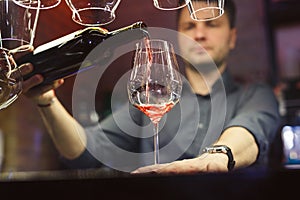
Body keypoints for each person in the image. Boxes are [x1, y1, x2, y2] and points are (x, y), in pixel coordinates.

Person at [20, 0, 281, 174]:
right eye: (189, 26)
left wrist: (215, 160)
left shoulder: (256, 95)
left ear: (232, 37)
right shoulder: (150, 102)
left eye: (211, 24)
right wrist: (47, 99)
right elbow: (85, 152)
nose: (200, 34)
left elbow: (249, 130)